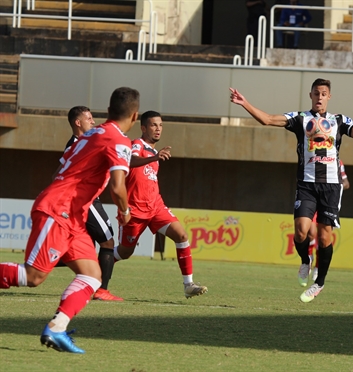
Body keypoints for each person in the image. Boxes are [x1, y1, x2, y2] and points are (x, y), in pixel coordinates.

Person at [0, 87, 139, 353]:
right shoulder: (119, 141)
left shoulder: (91, 134)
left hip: (73, 214)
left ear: (108, 112)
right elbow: (118, 187)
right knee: (33, 276)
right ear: (135, 116)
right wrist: (124, 211)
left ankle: (57, 328)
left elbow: (59, 170)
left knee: (91, 276)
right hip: (60, 210)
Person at [230, 78, 353, 303]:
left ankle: (319, 283)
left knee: (324, 236)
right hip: (306, 184)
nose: (320, 97)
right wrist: (245, 103)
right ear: (310, 95)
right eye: (316, 93)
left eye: (324, 93)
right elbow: (268, 120)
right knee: (301, 231)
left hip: (330, 186)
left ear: (329, 97)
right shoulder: (300, 119)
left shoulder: (340, 120)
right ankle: (305, 259)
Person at [113, 110, 207, 299]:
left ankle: (188, 285)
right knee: (124, 253)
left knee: (181, 235)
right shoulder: (136, 145)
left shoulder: (155, 152)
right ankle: (96, 264)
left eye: (161, 125)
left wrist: (155, 157)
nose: (158, 129)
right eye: (154, 125)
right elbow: (130, 161)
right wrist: (154, 158)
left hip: (156, 207)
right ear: (143, 128)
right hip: (135, 211)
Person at [53, 106, 123, 301]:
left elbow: (57, 173)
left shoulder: (83, 142)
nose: (93, 122)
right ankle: (102, 291)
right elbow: (60, 175)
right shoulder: (76, 145)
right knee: (108, 242)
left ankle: (39, 264)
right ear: (78, 122)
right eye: (89, 118)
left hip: (84, 199)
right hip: (87, 199)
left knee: (85, 251)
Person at [310, 160, 349, 281]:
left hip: (326, 201)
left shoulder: (338, 163)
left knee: (322, 238)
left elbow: (346, 183)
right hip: (311, 200)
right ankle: (308, 257)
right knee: (309, 231)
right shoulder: (311, 157)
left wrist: (336, 183)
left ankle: (317, 267)